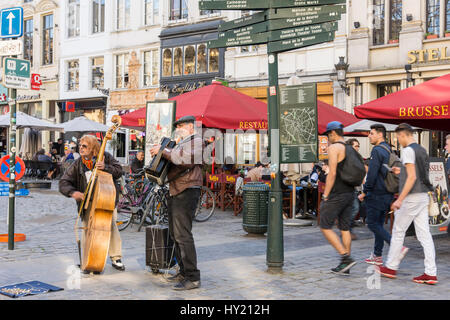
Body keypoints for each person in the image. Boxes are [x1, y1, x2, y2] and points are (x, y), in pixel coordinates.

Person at [377, 123, 438, 285]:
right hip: (423, 195)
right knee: (425, 235)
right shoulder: (422, 150)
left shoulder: (408, 151)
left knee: (398, 230)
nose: (398, 139)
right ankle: (431, 273)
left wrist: (399, 199)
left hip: (411, 197)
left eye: (398, 136)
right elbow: (417, 173)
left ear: (404, 135)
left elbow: (411, 178)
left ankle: (391, 267)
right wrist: (400, 171)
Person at [150, 115, 203, 290]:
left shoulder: (197, 141)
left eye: (181, 125)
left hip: (187, 189)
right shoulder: (183, 142)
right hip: (177, 189)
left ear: (191, 127)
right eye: (177, 125)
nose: (178, 128)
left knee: (183, 234)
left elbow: (184, 159)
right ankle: (183, 271)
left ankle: (193, 277)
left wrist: (162, 151)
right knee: (175, 233)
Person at [59, 134, 125, 273]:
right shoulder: (78, 163)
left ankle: (116, 257)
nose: (80, 149)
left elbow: (119, 170)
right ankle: (87, 258)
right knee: (87, 229)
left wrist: (106, 167)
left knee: (111, 226)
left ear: (93, 148)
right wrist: (73, 192)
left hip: (105, 200)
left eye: (84, 146)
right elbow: (63, 182)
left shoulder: (105, 156)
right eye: (80, 146)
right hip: (87, 202)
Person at [358, 124, 401, 265]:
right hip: (388, 192)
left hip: (377, 192)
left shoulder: (377, 150)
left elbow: (372, 173)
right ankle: (377, 255)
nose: (369, 136)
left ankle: (396, 247)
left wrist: (365, 191)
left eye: (371, 133)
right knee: (379, 224)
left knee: (372, 223)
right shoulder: (388, 149)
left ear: (380, 135)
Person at [319, 121, 357, 275]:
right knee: (345, 228)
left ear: (333, 133)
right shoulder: (351, 149)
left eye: (328, 135)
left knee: (325, 225)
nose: (328, 138)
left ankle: (345, 258)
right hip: (350, 193)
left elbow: (332, 173)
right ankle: (345, 266)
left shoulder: (334, 148)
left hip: (337, 193)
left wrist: (326, 194)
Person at [346, 139, 362, 240]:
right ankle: (347, 230)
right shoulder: (346, 158)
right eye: (355, 146)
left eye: (358, 146)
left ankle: (347, 229)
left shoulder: (357, 157)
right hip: (348, 188)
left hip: (355, 187)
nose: (357, 148)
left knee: (354, 209)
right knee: (354, 208)